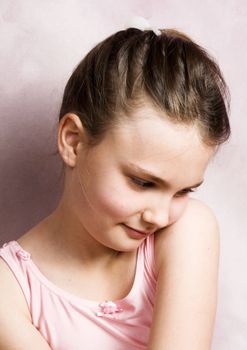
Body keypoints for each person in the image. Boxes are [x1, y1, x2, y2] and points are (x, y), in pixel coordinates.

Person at [0, 19, 230, 350]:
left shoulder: (187, 230)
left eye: (183, 191)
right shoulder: (11, 291)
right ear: (74, 141)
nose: (161, 216)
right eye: (143, 182)